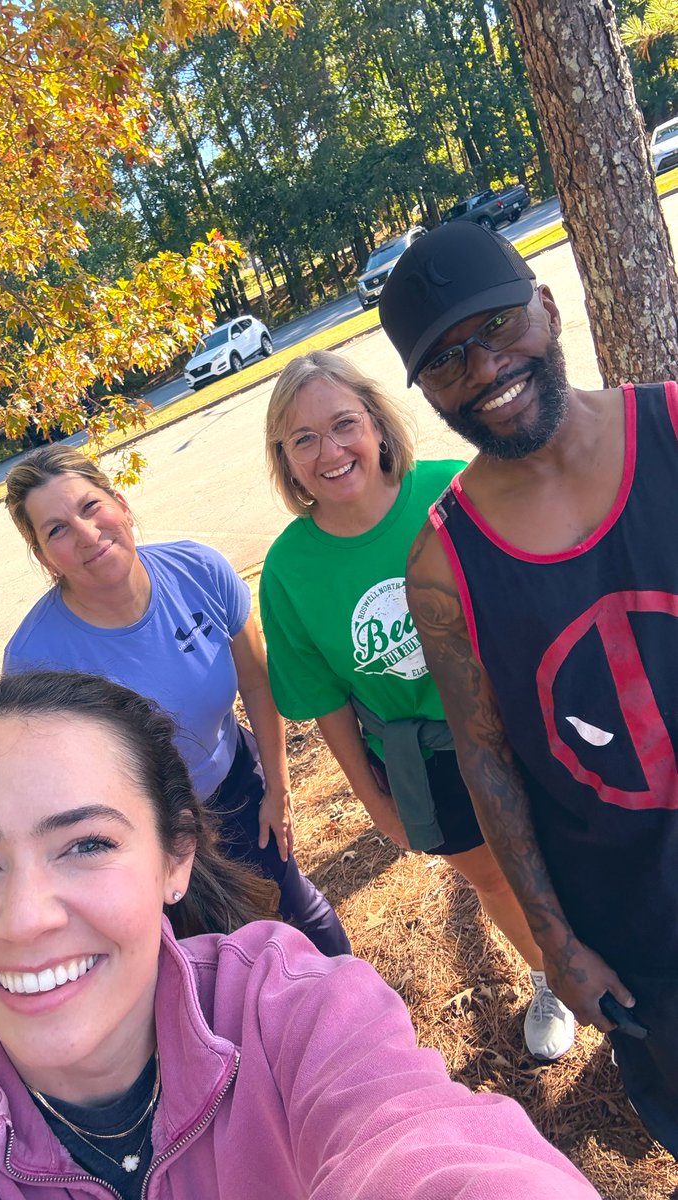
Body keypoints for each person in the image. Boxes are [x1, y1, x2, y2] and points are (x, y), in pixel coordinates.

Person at [0, 669, 603, 1199]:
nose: (27, 916)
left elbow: (429, 1149)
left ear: (175, 857)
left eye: (85, 845)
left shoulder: (292, 1011)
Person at [379, 220, 678, 1153]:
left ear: (547, 308)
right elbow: (486, 756)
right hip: (639, 929)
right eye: (447, 361)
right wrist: (557, 943)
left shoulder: (673, 427)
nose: (484, 368)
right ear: (427, 392)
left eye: (499, 326)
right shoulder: (442, 565)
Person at [259, 350, 574, 1062]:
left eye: (342, 425)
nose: (329, 452)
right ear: (284, 456)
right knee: (491, 875)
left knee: (570, 853)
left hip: (524, 726)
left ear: (375, 422)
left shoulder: (453, 492)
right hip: (425, 757)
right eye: (302, 439)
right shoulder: (289, 570)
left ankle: (626, 982)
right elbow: (324, 699)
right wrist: (372, 797)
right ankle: (552, 976)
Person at [2, 445, 350, 957]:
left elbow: (256, 683)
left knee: (296, 910)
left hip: (235, 785)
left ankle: (365, 1017)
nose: (84, 533)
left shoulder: (199, 571)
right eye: (55, 530)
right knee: (209, 957)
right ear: (42, 555)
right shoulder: (35, 658)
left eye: (90, 506)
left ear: (120, 503)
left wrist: (278, 790)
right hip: (143, 834)